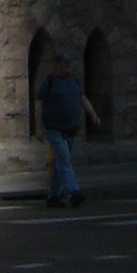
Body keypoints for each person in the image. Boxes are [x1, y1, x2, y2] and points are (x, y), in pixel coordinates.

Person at [35, 53, 97, 207]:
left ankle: (53, 196)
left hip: (70, 130)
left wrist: (93, 115)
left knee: (59, 163)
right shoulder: (49, 82)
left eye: (70, 65)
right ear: (58, 66)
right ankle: (73, 191)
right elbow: (39, 105)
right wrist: (38, 128)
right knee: (64, 159)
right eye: (66, 65)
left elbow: (83, 99)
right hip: (54, 129)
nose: (69, 67)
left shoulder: (74, 82)